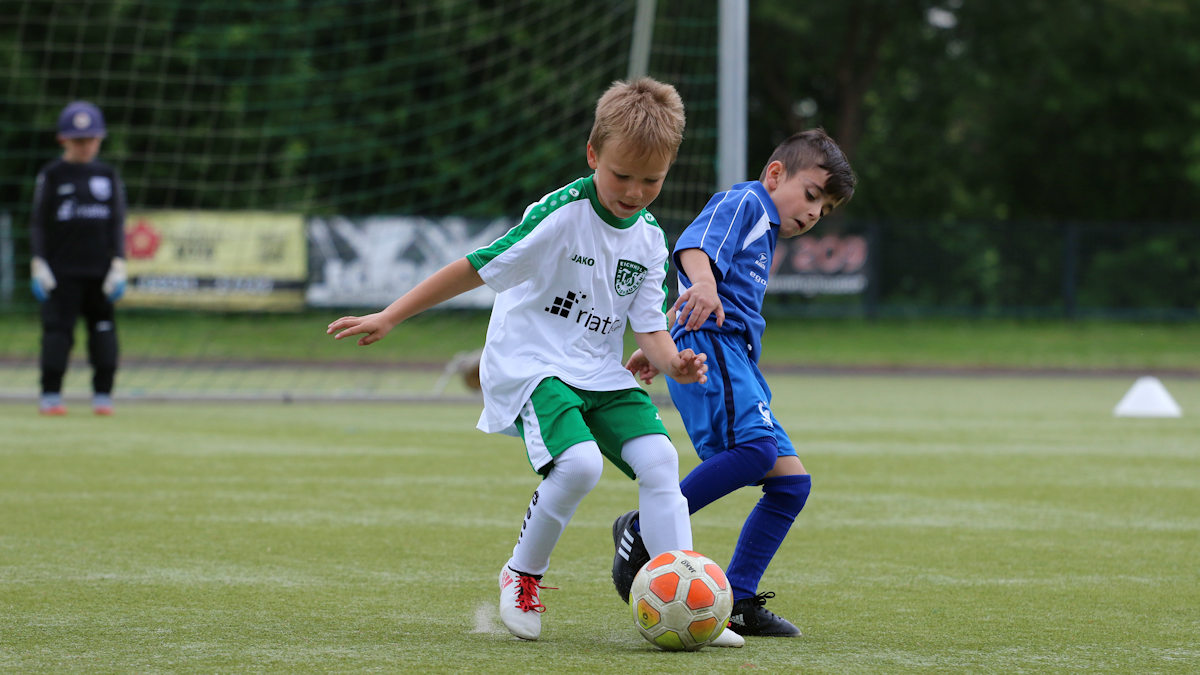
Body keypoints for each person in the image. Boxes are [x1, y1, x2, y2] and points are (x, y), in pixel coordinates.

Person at [328, 78, 719, 644]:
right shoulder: (560, 214)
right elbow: (475, 266)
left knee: (660, 459)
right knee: (581, 464)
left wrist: (674, 363)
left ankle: (689, 597)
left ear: (669, 169)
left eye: (651, 180)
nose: (634, 192)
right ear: (593, 155)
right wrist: (391, 314)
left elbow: (650, 326)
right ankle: (522, 575)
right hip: (532, 362)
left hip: (597, 369)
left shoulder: (651, 240)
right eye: (621, 176)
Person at [614, 128, 856, 639]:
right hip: (716, 349)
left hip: (732, 356)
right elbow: (695, 248)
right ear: (774, 174)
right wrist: (700, 288)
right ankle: (643, 529)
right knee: (756, 451)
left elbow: (703, 281)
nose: (814, 213)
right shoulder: (747, 201)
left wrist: (661, 338)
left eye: (826, 209)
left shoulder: (764, 229)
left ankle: (740, 597)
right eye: (812, 195)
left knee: (790, 485)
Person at [30, 100, 127, 416]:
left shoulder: (107, 175)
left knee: (103, 332)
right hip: (61, 272)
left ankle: (103, 395)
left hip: (100, 271)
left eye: (92, 140)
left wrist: (120, 262)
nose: (86, 146)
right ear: (64, 140)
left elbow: (116, 222)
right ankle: (51, 395)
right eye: (79, 140)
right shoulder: (52, 175)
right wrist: (38, 261)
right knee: (58, 333)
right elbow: (38, 222)